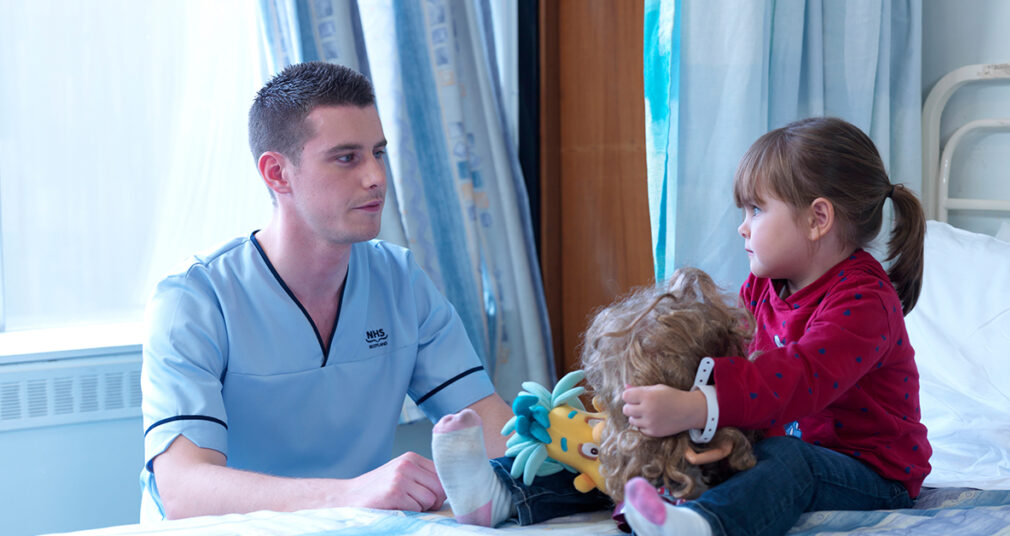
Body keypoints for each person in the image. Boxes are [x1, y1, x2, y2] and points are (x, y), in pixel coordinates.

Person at [139, 61, 512, 521]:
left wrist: (600, 450)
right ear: (277, 173)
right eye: (347, 157)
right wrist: (351, 492)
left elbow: (493, 429)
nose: (376, 176)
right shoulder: (193, 299)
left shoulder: (400, 279)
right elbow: (184, 490)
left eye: (379, 153)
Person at [619, 116, 932, 536]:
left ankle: (706, 526)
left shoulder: (866, 303)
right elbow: (736, 356)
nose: (742, 226)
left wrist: (698, 406)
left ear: (817, 218)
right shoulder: (764, 285)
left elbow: (800, 377)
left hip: (872, 474)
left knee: (789, 459)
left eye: (757, 209)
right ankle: (520, 490)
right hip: (779, 445)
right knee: (667, 447)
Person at [431, 267, 760, 528]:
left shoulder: (709, 423)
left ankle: (683, 523)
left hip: (676, 486)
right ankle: (495, 494)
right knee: (567, 467)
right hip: (619, 480)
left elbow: (724, 452)